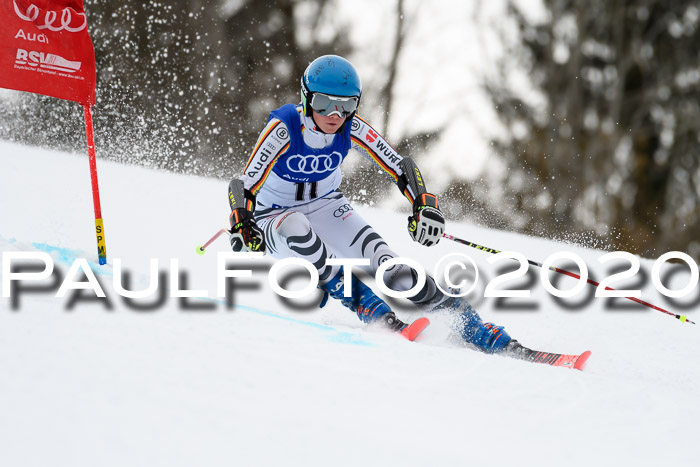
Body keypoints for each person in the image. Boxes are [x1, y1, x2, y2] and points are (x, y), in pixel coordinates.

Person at [226, 54, 514, 353]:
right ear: (306, 97)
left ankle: (470, 324)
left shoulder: (352, 127)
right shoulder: (284, 128)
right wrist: (242, 221)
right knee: (297, 227)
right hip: (274, 216)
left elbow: (399, 165)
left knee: (390, 265)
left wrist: (423, 205)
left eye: (347, 105)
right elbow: (244, 184)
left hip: (326, 205)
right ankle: (373, 311)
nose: (335, 114)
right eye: (324, 103)